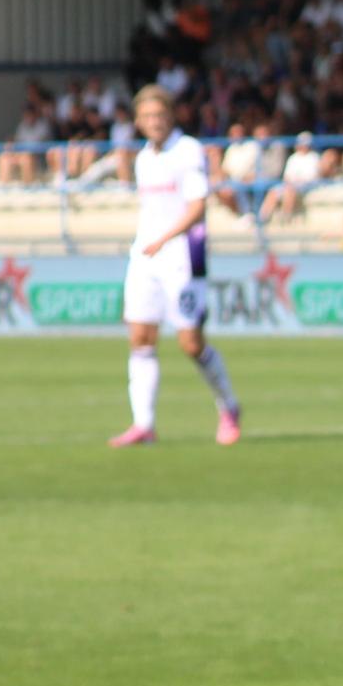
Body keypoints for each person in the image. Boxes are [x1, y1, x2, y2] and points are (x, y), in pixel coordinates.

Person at [113, 84, 241, 448]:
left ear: (172, 116)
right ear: (138, 122)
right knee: (139, 337)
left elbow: (198, 207)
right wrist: (149, 244)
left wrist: (164, 239)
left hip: (183, 256)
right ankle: (144, 424)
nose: (154, 123)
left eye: (160, 116)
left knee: (190, 343)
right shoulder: (143, 158)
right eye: (147, 117)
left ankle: (229, 407)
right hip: (145, 256)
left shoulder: (187, 151)